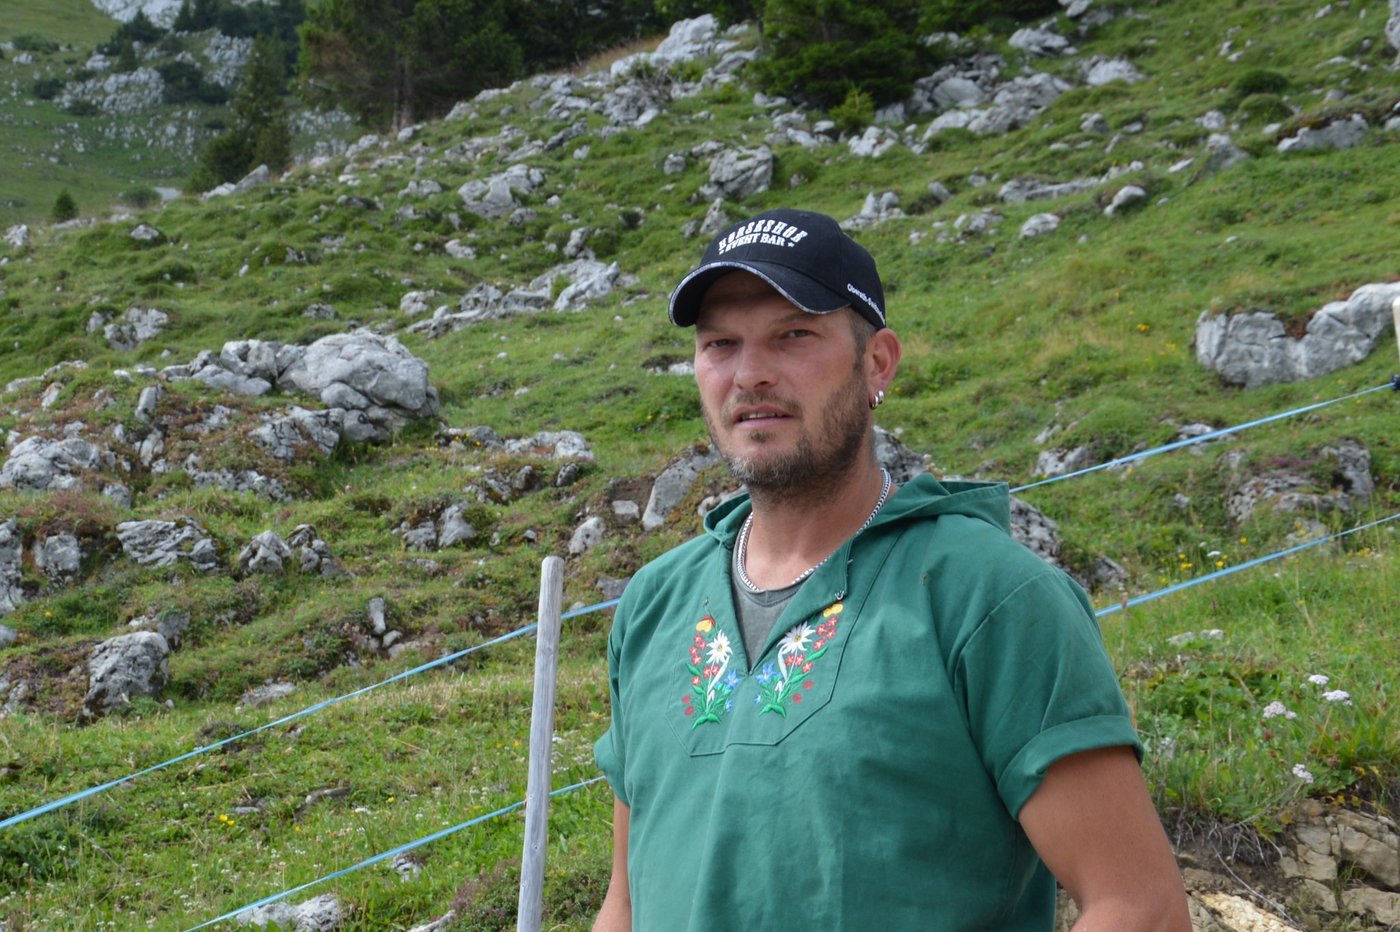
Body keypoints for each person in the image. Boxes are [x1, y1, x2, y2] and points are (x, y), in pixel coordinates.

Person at [592, 208, 1190, 931]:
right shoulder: (656, 604)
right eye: (721, 344)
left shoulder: (990, 596)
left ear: (877, 363)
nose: (750, 373)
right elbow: (626, 903)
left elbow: (1140, 905)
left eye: (794, 335)